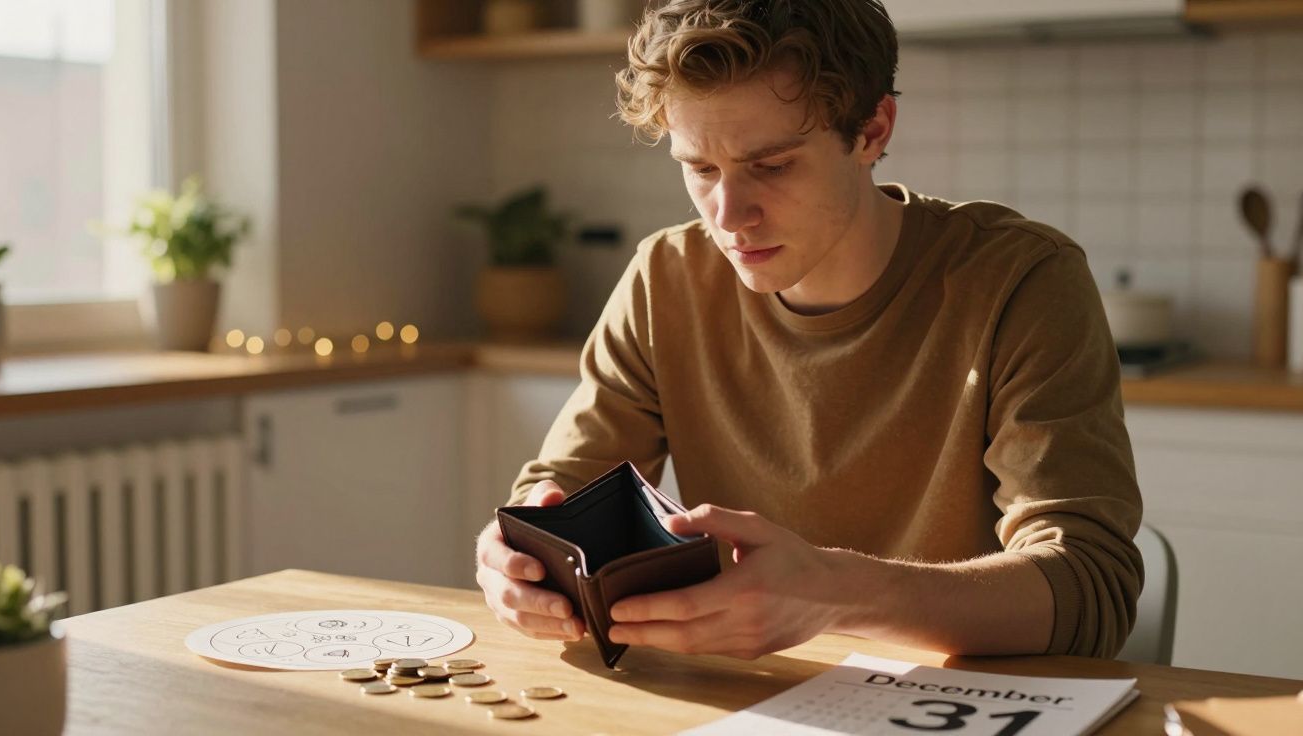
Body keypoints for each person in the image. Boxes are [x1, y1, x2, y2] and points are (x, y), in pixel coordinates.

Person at [474, 0, 1143, 661]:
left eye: (771, 165)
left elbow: (1090, 586)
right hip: (754, 701)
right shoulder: (665, 279)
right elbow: (560, 493)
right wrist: (521, 556)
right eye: (701, 169)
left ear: (872, 130)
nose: (729, 216)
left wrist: (838, 593)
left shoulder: (1020, 282)